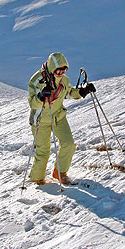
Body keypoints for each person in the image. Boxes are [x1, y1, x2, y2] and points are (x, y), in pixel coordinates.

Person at [27, 52, 95, 185]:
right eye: (58, 70)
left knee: (69, 144)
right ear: (52, 68)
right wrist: (41, 96)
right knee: (43, 151)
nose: (61, 73)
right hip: (40, 119)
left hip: (58, 116)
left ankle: (60, 172)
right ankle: (38, 178)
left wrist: (81, 92)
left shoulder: (64, 80)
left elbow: (67, 93)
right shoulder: (36, 80)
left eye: (64, 70)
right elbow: (32, 103)